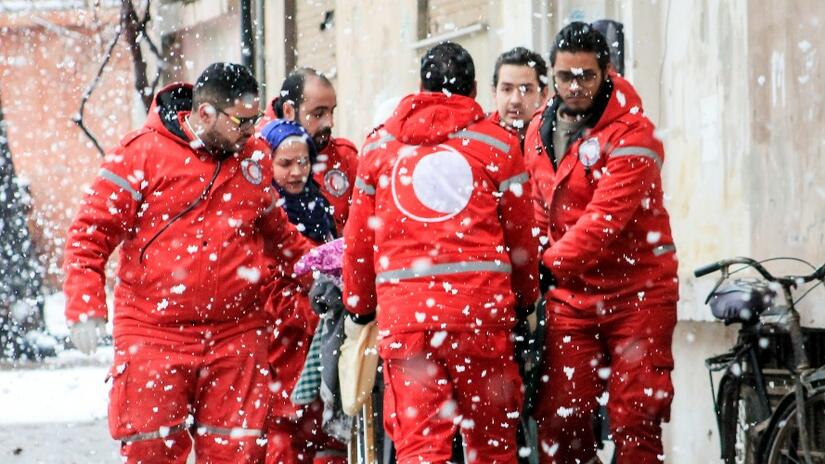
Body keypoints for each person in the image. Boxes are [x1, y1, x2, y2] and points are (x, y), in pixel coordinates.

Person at [63, 63, 311, 464]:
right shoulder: (139, 155)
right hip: (153, 331)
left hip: (236, 331)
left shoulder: (254, 159)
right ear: (206, 113)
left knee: (239, 451)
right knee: (151, 449)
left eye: (254, 120)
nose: (253, 131)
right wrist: (84, 305)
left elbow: (279, 236)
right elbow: (89, 236)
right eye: (242, 121)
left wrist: (319, 275)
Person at [341, 41, 540, 463]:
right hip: (481, 318)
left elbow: (359, 243)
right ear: (471, 90)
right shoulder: (500, 147)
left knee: (420, 446)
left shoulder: (379, 149)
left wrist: (359, 308)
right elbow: (521, 239)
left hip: (409, 325)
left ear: (420, 86)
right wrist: (525, 302)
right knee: (492, 445)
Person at [523, 22, 679, 463]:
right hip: (571, 300)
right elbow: (538, 207)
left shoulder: (634, 134)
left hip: (639, 296)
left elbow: (604, 221)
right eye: (564, 76)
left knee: (636, 419)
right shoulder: (538, 131)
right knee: (560, 419)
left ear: (606, 72)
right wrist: (533, 259)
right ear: (551, 76)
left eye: (586, 76)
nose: (574, 87)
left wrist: (545, 267)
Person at [259, 119, 346, 464]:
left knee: (322, 434)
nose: (297, 172)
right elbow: (267, 284)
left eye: (304, 162)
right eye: (285, 164)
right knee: (283, 431)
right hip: (282, 344)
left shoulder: (320, 204)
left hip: (317, 338)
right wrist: (314, 310)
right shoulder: (263, 212)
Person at [260, 68, 358, 234]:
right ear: (289, 111)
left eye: (331, 111)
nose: (330, 123)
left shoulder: (344, 157)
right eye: (318, 114)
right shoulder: (254, 153)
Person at [490, 47, 549, 143]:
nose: (515, 100)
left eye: (525, 90)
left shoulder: (554, 142)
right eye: (507, 89)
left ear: (543, 94)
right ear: (494, 92)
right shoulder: (476, 141)